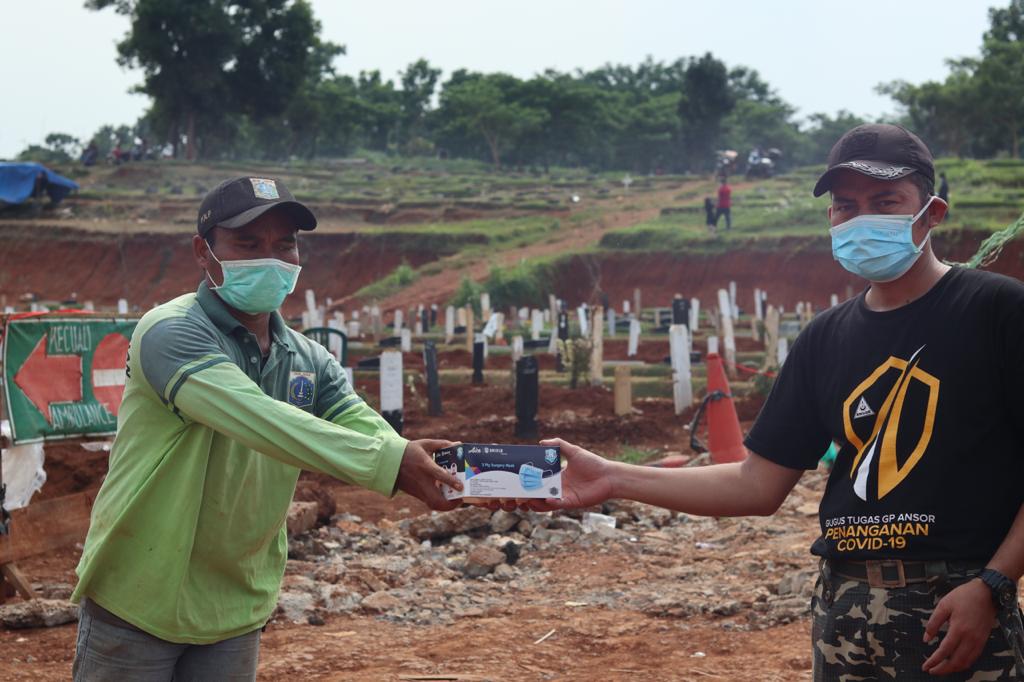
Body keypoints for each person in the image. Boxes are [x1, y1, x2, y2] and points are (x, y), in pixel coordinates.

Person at [515, 124, 1024, 680]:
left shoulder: (997, 312)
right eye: (845, 206)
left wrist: (995, 583)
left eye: (885, 202)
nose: (861, 220)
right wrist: (612, 478)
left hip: (960, 612)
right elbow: (755, 484)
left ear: (931, 213)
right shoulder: (825, 338)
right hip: (845, 615)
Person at [70, 176, 463, 680]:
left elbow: (360, 422)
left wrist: (433, 464)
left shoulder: (307, 358)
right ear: (203, 252)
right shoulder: (170, 331)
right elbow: (256, 417)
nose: (270, 258)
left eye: (285, 245)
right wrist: (389, 463)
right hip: (140, 593)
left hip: (236, 599)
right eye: (248, 244)